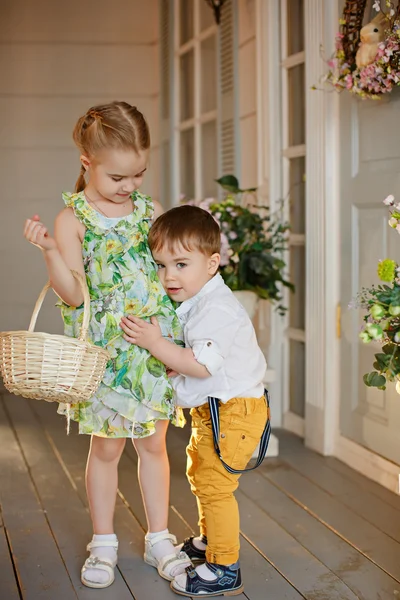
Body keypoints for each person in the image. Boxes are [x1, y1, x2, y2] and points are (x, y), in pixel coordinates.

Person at [23, 101, 191, 589]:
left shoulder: (150, 211)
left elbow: (172, 277)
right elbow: (74, 294)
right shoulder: (73, 218)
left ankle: (159, 537)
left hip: (154, 348)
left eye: (139, 174)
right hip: (109, 355)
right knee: (107, 449)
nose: (130, 186)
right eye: (118, 176)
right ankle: (104, 542)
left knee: (155, 445)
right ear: (87, 163)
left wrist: (178, 345)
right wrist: (52, 251)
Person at [120, 204, 270, 598]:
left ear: (212, 263)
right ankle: (209, 539)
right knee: (202, 475)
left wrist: (155, 344)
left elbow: (202, 366)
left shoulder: (216, 308)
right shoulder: (201, 300)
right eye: (161, 265)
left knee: (215, 485)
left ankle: (225, 566)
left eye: (181, 264)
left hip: (235, 411)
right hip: (219, 410)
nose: (169, 276)